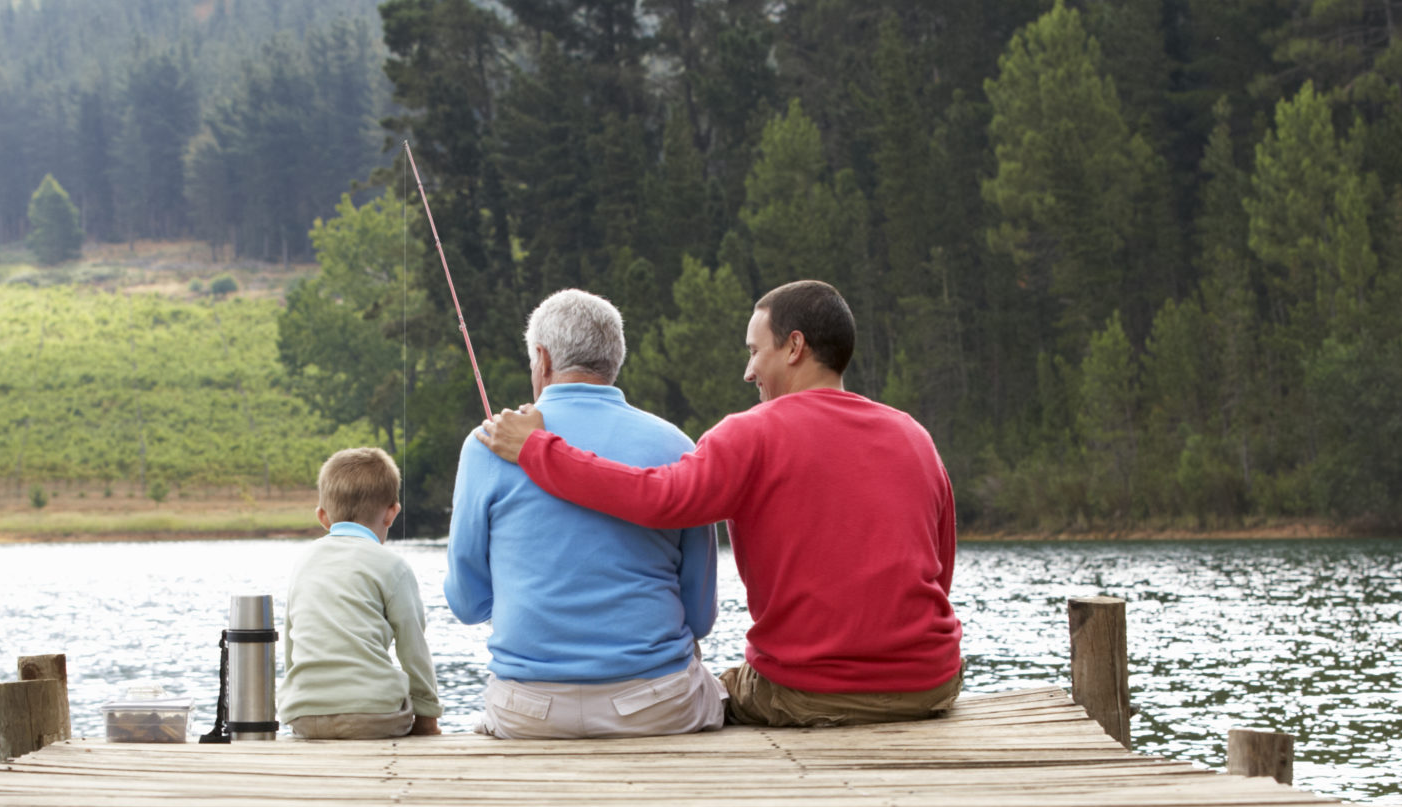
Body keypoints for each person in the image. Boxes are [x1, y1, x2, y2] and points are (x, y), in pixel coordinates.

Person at [479, 279, 960, 727]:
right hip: (931, 685)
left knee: (713, 690)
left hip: (808, 692)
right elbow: (941, 570)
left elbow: (660, 498)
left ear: (794, 347)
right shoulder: (912, 434)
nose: (748, 371)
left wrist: (537, 450)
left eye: (755, 351)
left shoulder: (754, 433)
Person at [445, 287, 724, 738]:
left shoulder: (487, 445)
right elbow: (701, 616)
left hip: (529, 711)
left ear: (543, 359)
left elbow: (467, 603)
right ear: (615, 361)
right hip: (656, 707)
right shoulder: (676, 445)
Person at [279, 446, 443, 740]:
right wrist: (428, 715)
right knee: (398, 698)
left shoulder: (303, 562)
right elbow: (412, 647)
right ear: (392, 514)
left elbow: (292, 646)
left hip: (303, 714)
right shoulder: (393, 566)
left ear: (322, 517)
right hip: (373, 715)